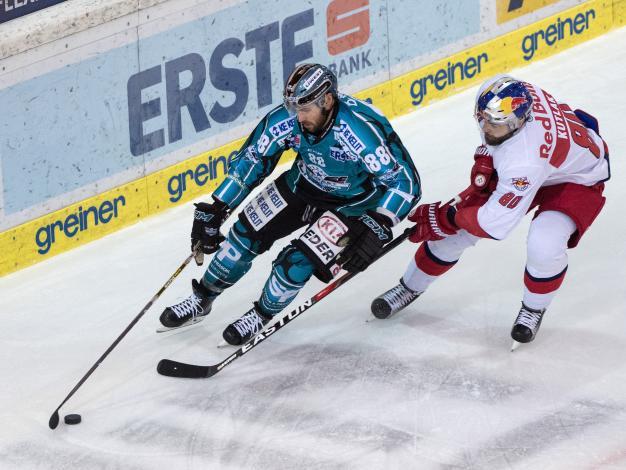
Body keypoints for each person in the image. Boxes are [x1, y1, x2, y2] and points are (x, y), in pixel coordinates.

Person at [160, 63, 421, 345]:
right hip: (302, 184)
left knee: (295, 262)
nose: (298, 116)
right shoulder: (289, 118)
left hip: (352, 204)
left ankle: (259, 316)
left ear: (328, 100)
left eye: (305, 108)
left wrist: (378, 223)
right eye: (294, 107)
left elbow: (405, 183)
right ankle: (202, 298)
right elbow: (254, 158)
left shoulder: (359, 129)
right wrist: (218, 206)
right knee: (242, 238)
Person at [371, 74, 610, 348]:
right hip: (552, 159)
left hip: (577, 178)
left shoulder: (524, 161)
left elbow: (493, 225)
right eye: (482, 119)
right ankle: (408, 287)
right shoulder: (499, 91)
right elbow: (492, 135)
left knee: (544, 244)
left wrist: (447, 217)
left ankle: (533, 308)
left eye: (494, 124)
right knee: (454, 235)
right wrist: (486, 156)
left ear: (518, 121)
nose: (485, 126)